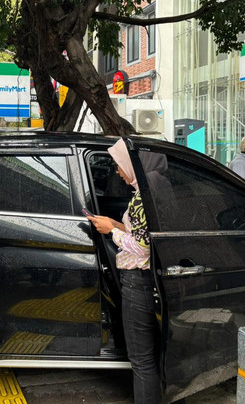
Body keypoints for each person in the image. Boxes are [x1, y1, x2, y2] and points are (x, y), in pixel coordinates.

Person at [86, 139, 160, 404]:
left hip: (137, 282)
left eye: (119, 165)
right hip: (143, 281)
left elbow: (142, 248)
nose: (117, 171)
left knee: (140, 359)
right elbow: (142, 233)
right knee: (148, 356)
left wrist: (112, 231)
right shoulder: (147, 193)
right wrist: (115, 224)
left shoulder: (142, 199)